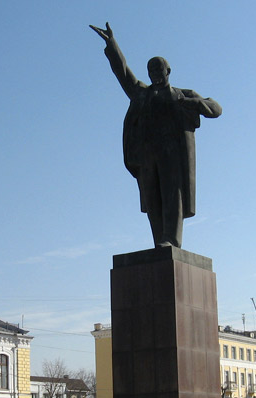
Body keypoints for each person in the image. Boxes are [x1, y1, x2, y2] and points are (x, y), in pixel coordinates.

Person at [90, 23, 222, 249]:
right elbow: (123, 73)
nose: (155, 75)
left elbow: (216, 109)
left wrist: (189, 103)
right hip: (147, 156)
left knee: (172, 198)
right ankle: (160, 241)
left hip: (172, 155)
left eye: (159, 71)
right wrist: (112, 45)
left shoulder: (181, 95)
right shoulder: (142, 94)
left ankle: (171, 239)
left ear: (168, 71)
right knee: (153, 203)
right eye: (151, 72)